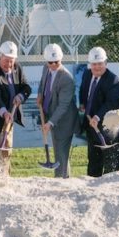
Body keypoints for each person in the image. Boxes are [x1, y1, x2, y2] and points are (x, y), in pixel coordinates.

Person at [0, 41, 31, 173]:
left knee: (7, 149)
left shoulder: (17, 69)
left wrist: (20, 96)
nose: (8, 64)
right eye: (6, 60)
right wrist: (4, 113)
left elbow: (26, 87)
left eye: (11, 61)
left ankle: (6, 177)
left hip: (10, 119)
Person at [79, 46, 119, 177]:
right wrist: (83, 103)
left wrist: (97, 117)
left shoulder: (113, 80)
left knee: (111, 167)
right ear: (90, 64)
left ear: (105, 63)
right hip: (92, 127)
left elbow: (110, 103)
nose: (97, 67)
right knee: (94, 164)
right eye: (94, 64)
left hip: (111, 127)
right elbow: (83, 90)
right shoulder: (87, 74)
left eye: (100, 64)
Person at [38, 43, 77, 178]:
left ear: (61, 59)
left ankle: (62, 182)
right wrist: (39, 95)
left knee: (61, 154)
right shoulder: (46, 68)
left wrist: (50, 123)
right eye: (50, 62)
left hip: (64, 121)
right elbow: (42, 83)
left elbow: (63, 106)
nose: (54, 65)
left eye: (57, 62)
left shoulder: (67, 78)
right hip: (50, 115)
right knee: (59, 153)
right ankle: (62, 179)